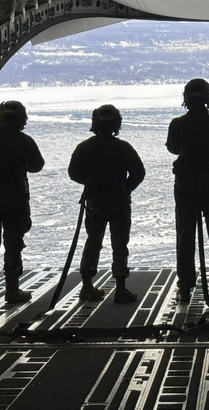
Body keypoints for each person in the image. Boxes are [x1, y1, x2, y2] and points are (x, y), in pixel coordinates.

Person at [68, 104, 146, 303]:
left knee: (93, 242)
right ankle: (120, 288)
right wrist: (125, 188)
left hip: (95, 202)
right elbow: (139, 173)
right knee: (120, 244)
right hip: (118, 202)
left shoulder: (85, 147)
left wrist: (91, 183)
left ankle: (87, 286)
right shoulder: (123, 148)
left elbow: (74, 173)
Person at [0, 100, 45, 303]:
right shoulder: (25, 141)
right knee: (13, 244)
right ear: (21, 120)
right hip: (14, 199)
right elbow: (37, 165)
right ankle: (12, 290)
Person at [166, 78, 209, 303]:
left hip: (185, 184)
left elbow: (173, 148)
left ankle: (185, 286)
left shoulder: (177, 124)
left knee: (185, 235)